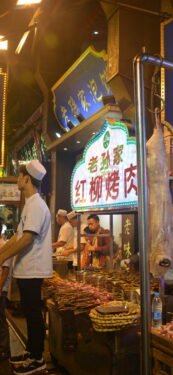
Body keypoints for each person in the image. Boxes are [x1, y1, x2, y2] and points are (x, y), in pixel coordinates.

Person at [0, 159, 53, 375]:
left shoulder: (37, 206)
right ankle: (32, 353)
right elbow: (16, 238)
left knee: (33, 314)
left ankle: (37, 358)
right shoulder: (30, 204)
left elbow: (26, 240)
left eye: (20, 176)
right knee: (31, 313)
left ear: (26, 179)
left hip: (32, 269)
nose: (18, 180)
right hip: (26, 270)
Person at [0, 235, 12, 362]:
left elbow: (5, 270)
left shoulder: (3, 245)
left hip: (0, 289)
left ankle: (4, 350)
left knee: (0, 320)